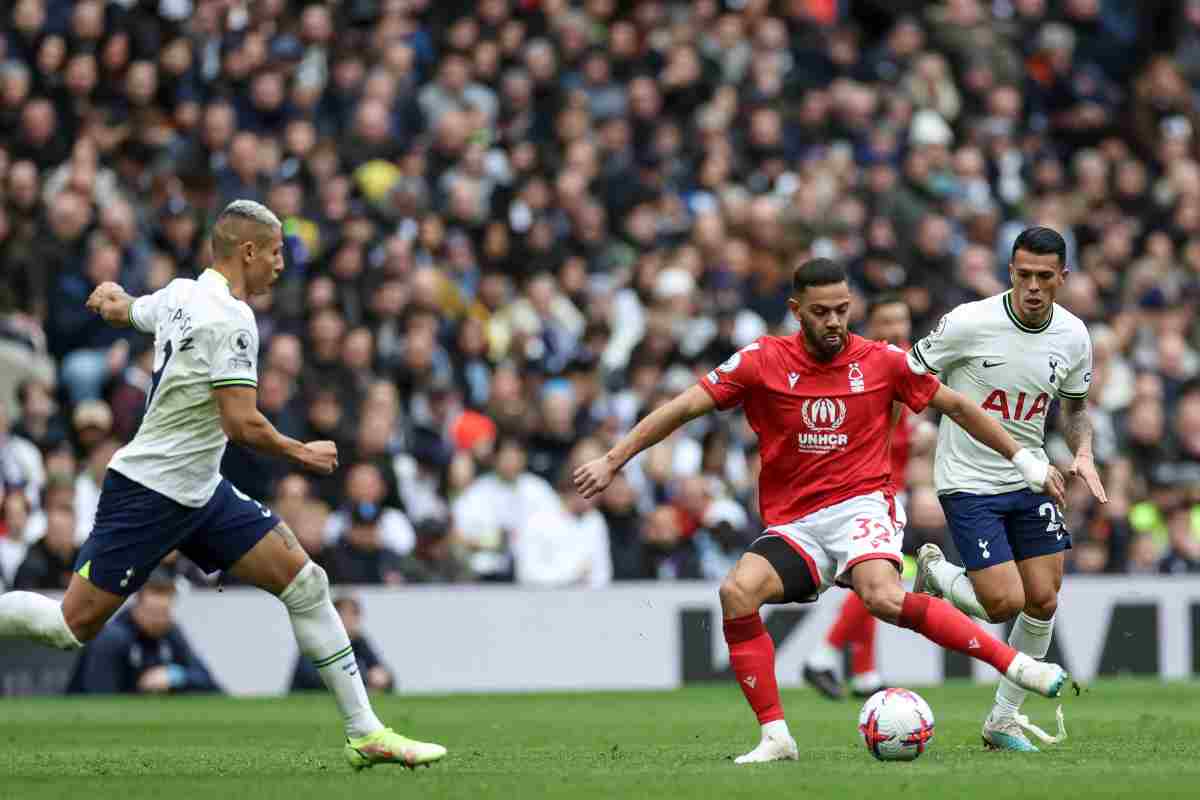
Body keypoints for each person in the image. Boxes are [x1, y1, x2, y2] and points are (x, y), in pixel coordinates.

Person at [0, 200, 445, 770]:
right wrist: (299, 451)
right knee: (70, 627)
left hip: (201, 492)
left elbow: (131, 310)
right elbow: (241, 423)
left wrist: (110, 298)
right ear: (248, 251)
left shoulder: (182, 294)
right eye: (278, 252)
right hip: (148, 491)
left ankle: (367, 732)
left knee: (306, 583)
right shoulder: (231, 320)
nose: (282, 265)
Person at [574, 258, 1070, 764]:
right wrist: (614, 459)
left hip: (863, 506)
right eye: (821, 312)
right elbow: (682, 407)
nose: (834, 321)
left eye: (841, 309)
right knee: (736, 593)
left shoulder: (882, 362)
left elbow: (959, 407)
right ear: (796, 311)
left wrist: (1022, 457)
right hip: (796, 524)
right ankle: (776, 737)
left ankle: (1014, 665)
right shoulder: (760, 361)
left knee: (879, 596)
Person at [912, 226, 1106, 752]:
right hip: (968, 480)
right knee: (1002, 603)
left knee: (1043, 599)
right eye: (1024, 275)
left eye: (1046, 277)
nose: (1034, 287)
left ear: (1063, 278)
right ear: (1011, 273)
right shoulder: (967, 323)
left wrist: (1082, 451)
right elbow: (909, 374)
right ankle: (935, 570)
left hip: (1034, 475)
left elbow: (1074, 407)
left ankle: (1002, 719)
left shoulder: (1074, 335)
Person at [803, 293, 929, 700]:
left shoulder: (905, 363)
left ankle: (864, 672)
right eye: (886, 322)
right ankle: (823, 656)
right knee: (881, 581)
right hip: (867, 491)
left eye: (901, 321)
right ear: (870, 326)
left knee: (872, 583)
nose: (895, 330)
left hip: (890, 487)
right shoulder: (864, 368)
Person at [67, 568, 220, 694]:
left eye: (164, 614)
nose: (159, 620)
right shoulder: (112, 638)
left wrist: (175, 676)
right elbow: (100, 696)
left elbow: (208, 682)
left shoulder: (169, 631)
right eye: (153, 613)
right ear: (137, 606)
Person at [292, 595, 393, 693]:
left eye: (354, 614)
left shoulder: (358, 641)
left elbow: (381, 672)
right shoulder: (316, 642)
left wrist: (383, 678)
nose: (350, 620)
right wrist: (366, 678)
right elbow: (314, 678)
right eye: (345, 615)